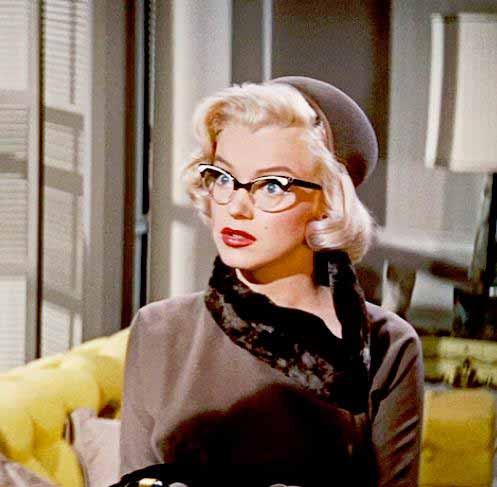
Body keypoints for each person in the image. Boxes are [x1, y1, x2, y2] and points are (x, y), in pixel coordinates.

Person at [118, 77, 424, 487]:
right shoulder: (158, 329)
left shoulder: (387, 346)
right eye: (223, 177)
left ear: (327, 203)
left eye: (272, 185)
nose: (237, 206)